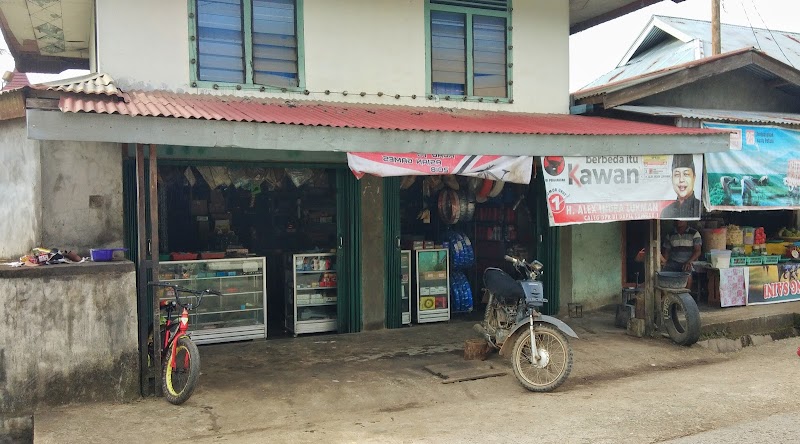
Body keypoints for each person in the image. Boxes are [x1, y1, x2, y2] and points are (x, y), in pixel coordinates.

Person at [661, 220, 702, 289]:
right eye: (677, 219)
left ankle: (686, 295)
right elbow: (667, 251)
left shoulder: (694, 233)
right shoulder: (670, 234)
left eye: (681, 220)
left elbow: (698, 251)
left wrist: (689, 262)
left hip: (688, 262)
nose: (678, 221)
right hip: (673, 263)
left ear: (686, 220)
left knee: (687, 276)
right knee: (662, 275)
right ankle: (667, 296)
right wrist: (664, 262)